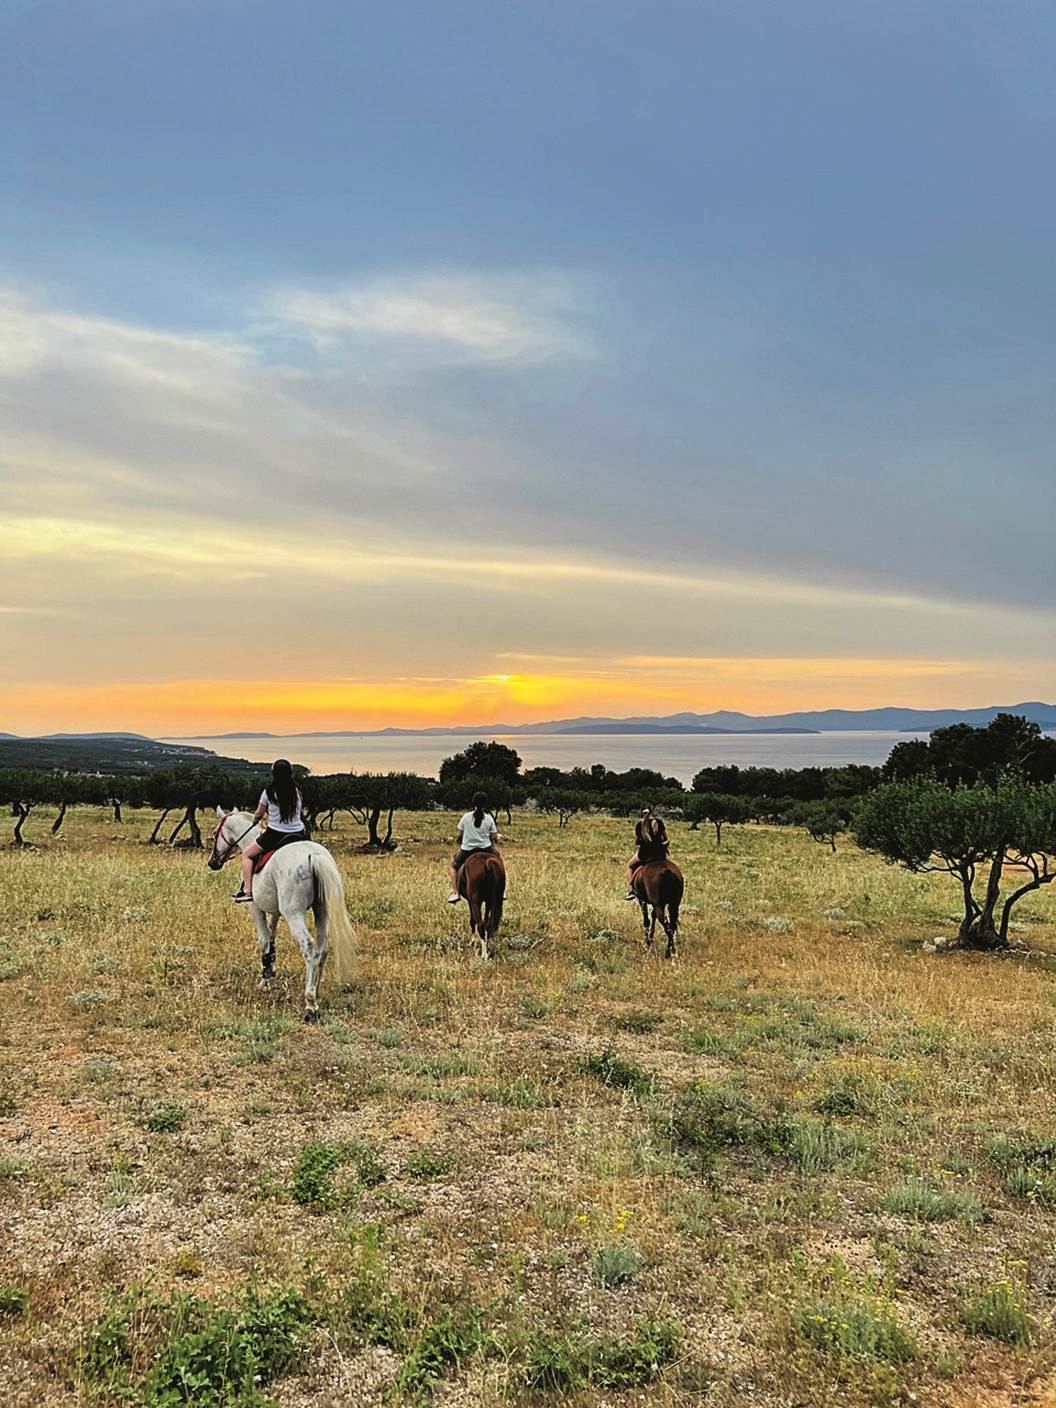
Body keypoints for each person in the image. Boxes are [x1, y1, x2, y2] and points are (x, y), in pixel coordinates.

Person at [234, 759, 309, 903]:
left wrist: (255, 820)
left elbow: (259, 814)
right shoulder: (297, 791)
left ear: (274, 774)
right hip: (299, 832)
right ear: (291, 774)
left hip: (275, 834)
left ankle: (248, 891)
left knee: (247, 855)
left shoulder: (268, 792)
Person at [447, 792, 501, 903]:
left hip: (467, 849)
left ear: (473, 803)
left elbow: (460, 835)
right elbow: (494, 836)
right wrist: (497, 837)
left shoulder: (466, 817)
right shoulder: (489, 819)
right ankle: (501, 890)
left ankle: (455, 893)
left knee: (453, 867)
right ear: (485, 804)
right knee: (500, 861)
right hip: (486, 848)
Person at [625, 805, 668, 898]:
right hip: (660, 852)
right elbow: (666, 838)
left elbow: (637, 841)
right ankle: (682, 881)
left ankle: (631, 889)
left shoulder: (640, 824)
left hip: (645, 853)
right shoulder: (659, 822)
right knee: (671, 865)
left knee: (629, 866)